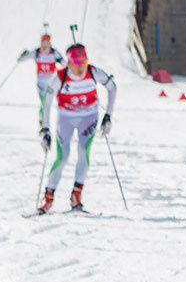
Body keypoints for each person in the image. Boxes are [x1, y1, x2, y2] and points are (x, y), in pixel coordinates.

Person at [39, 43, 116, 213]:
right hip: (66, 118)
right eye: (77, 63)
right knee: (63, 156)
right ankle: (48, 198)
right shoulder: (60, 77)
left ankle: (76, 196)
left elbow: (112, 87)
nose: (81, 68)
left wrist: (108, 115)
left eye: (84, 63)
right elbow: (47, 103)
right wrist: (44, 129)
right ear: (69, 63)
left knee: (83, 151)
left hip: (88, 117)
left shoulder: (93, 72)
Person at [16, 30, 66, 133]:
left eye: (47, 43)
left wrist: (61, 62)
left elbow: (65, 64)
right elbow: (21, 60)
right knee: (44, 102)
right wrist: (23, 55)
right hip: (41, 83)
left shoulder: (53, 52)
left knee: (56, 101)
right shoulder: (37, 52)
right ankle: (42, 122)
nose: (45, 46)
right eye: (43, 43)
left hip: (52, 82)